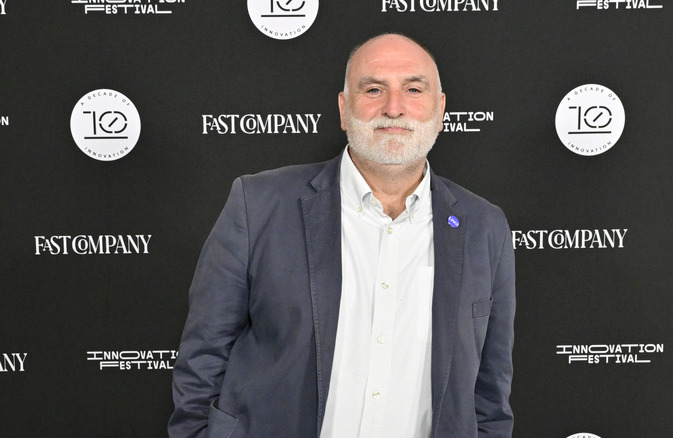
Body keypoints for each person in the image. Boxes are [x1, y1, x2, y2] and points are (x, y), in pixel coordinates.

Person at [168, 33, 516, 438]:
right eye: (373, 89)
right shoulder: (258, 205)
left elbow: (490, 394)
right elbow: (203, 358)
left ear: (440, 110)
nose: (393, 108)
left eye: (414, 89)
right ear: (343, 108)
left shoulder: (484, 226)